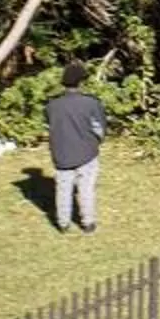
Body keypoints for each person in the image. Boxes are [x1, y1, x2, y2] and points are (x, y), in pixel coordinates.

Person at [44, 62, 107, 232]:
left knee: (63, 189)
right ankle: (88, 223)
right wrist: (96, 143)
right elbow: (99, 129)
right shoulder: (92, 103)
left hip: (61, 154)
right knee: (86, 188)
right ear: (81, 82)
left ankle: (63, 224)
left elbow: (50, 127)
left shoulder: (51, 105)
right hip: (87, 153)